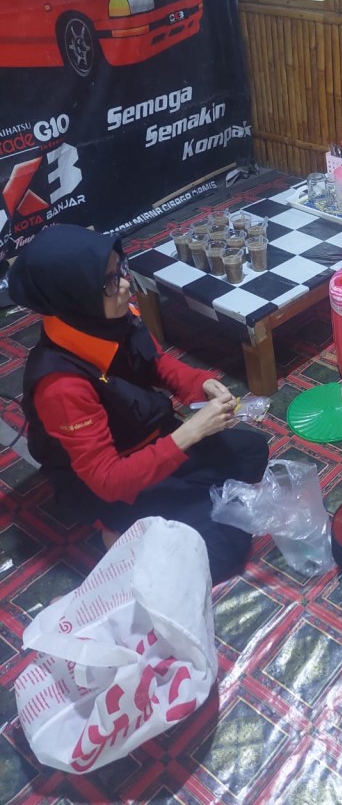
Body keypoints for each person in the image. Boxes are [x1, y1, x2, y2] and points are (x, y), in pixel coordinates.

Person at [8, 224, 269, 584]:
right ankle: (114, 529)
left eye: (120, 269)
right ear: (75, 296)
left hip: (150, 439)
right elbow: (109, 480)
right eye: (109, 282)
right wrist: (191, 432)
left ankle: (173, 508)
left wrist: (200, 384)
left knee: (252, 452)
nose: (125, 284)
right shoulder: (60, 385)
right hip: (112, 483)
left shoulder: (107, 317)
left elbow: (156, 362)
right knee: (224, 549)